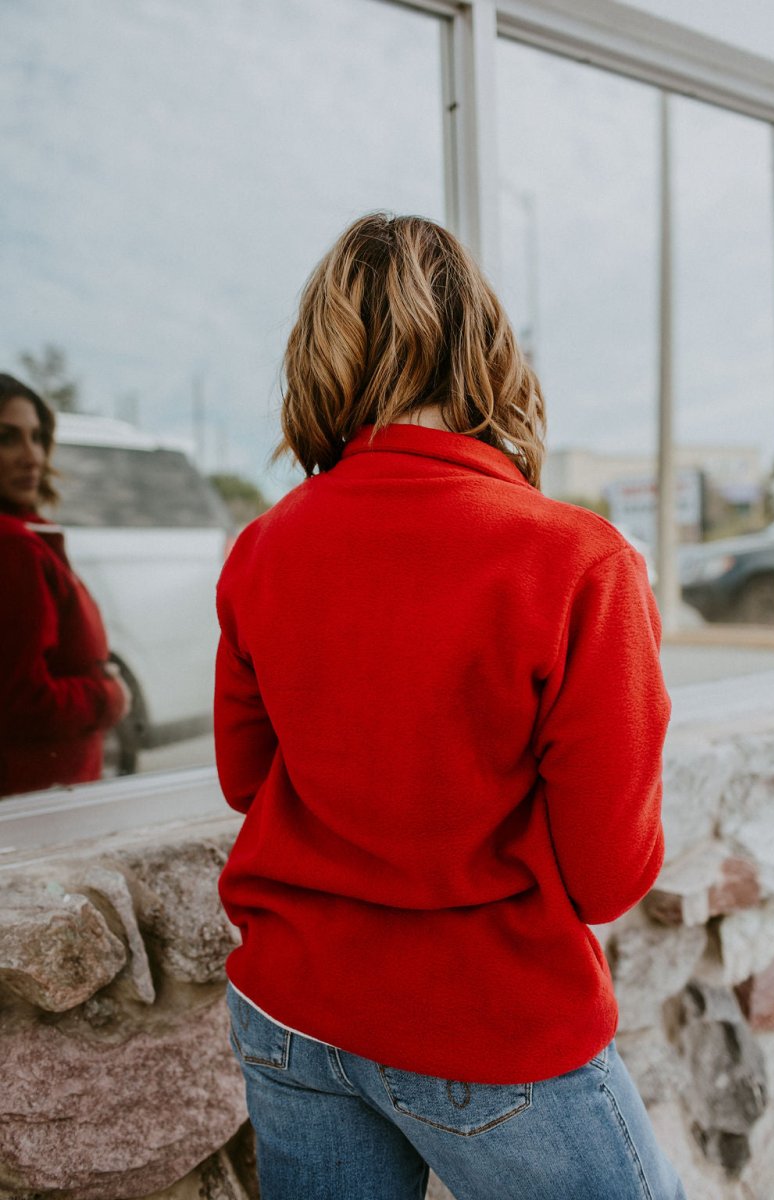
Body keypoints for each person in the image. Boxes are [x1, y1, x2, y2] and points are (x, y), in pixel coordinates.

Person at [215, 214, 687, 1200]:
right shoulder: (575, 560)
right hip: (490, 1027)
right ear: (484, 346)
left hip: (293, 1011)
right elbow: (607, 876)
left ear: (324, 355)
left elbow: (247, 780)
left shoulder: (263, 547)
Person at [0, 373, 129, 797]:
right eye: (7, 438)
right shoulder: (13, 546)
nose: (32, 457)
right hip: (37, 804)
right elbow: (21, 701)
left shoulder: (27, 534)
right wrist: (110, 695)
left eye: (37, 437)